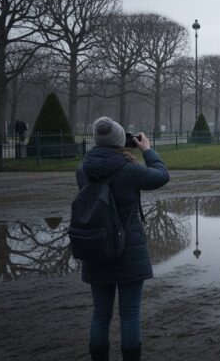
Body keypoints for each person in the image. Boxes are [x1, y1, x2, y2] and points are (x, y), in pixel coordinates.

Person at [78, 116, 169, 361]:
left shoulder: (83, 169)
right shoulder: (129, 169)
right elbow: (161, 175)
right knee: (130, 315)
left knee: (100, 314)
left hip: (96, 245)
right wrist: (148, 150)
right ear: (121, 141)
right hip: (128, 247)